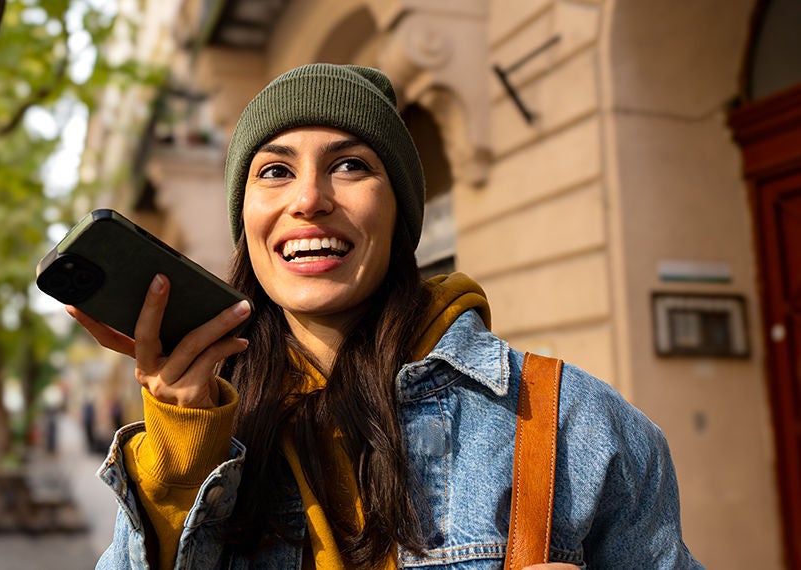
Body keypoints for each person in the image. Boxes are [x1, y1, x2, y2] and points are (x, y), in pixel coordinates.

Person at [69, 63, 702, 569]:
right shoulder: (208, 427)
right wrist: (180, 463)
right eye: (275, 171)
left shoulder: (576, 426)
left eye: (350, 165)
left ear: (399, 213)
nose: (309, 199)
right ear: (246, 221)